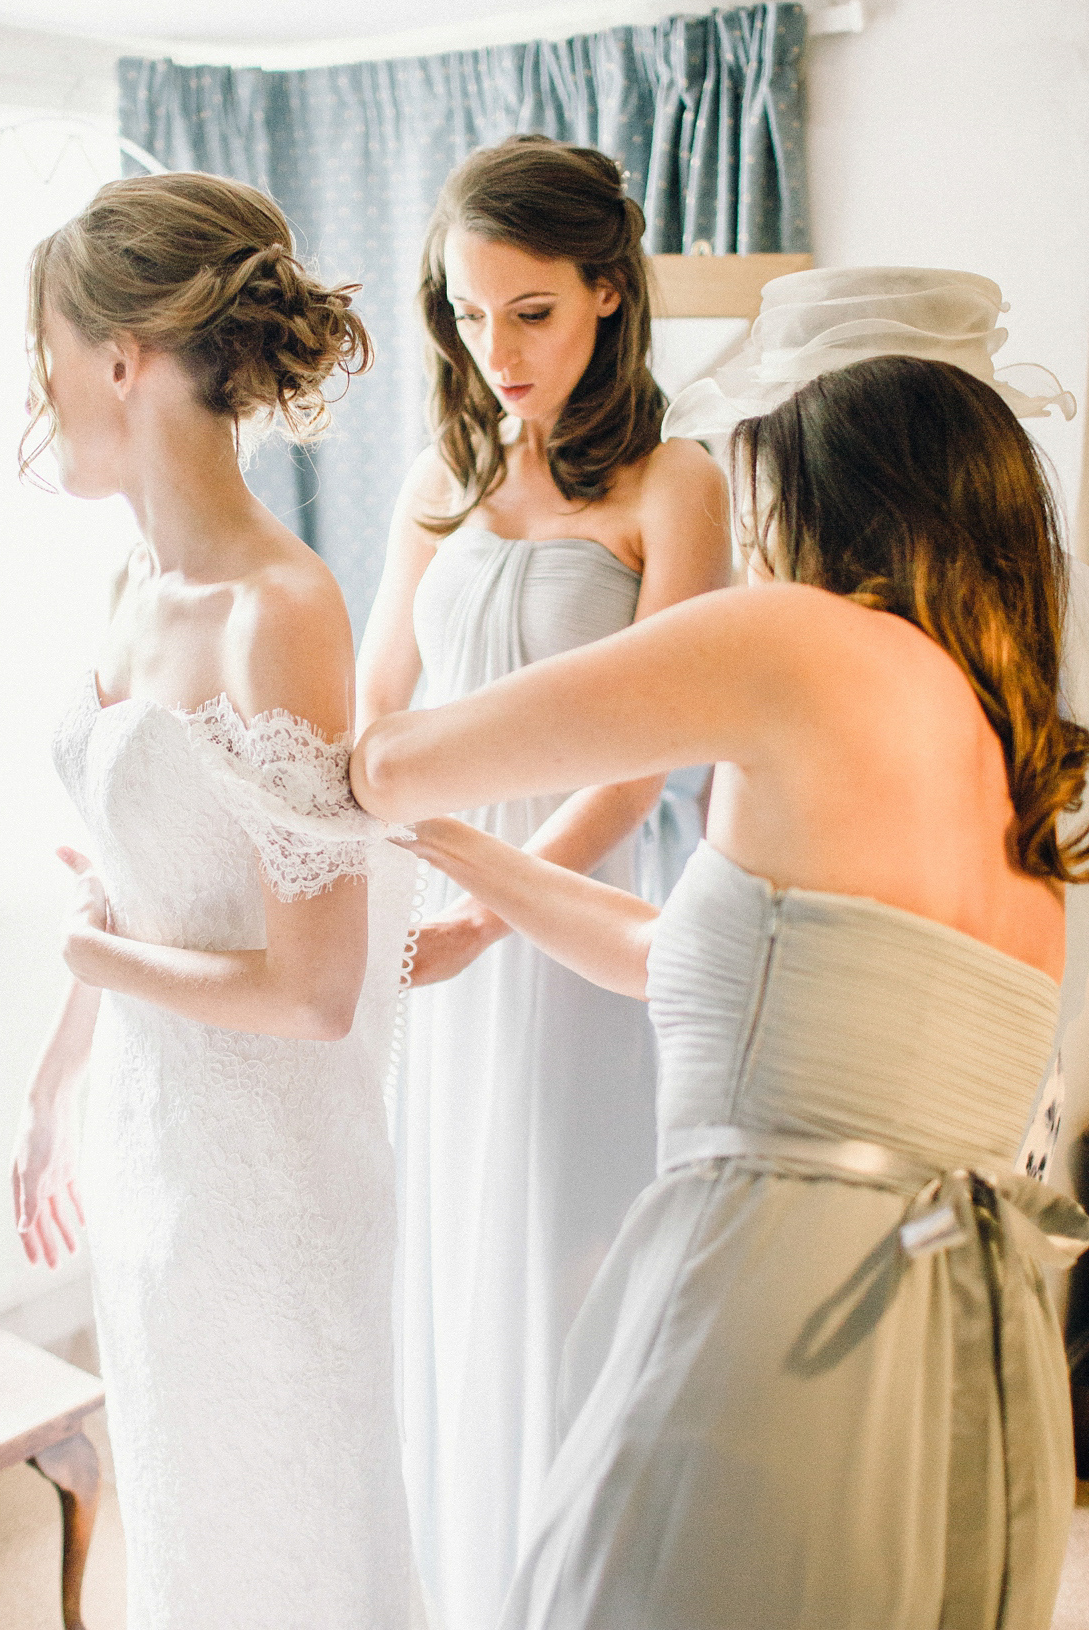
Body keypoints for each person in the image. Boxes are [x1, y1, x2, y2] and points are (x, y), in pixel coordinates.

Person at [353, 338, 1089, 1628]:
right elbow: (685, 969)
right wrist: (479, 876)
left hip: (787, 1309)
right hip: (972, 1344)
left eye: (759, 528)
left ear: (831, 519)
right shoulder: (1016, 781)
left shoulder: (806, 641)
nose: (750, 563)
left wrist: (348, 758)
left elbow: (402, 760)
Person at [9, 172, 414, 1630]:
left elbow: (313, 990)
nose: (38, 386)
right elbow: (139, 881)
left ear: (121, 358)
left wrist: (97, 960)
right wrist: (57, 1079)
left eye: (46, 348)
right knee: (188, 1525)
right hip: (151, 1139)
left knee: (288, 1532)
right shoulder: (132, 583)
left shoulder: (278, 613)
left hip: (273, 1181)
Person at [356, 134, 732, 1629]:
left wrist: (493, 907)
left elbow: (649, 755)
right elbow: (378, 709)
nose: (494, 349)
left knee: (569, 1255)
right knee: (451, 1254)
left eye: (533, 311)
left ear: (606, 297)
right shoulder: (439, 475)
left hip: (573, 928)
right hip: (437, 915)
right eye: (466, 312)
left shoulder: (674, 481)